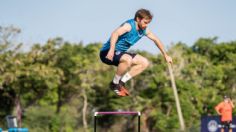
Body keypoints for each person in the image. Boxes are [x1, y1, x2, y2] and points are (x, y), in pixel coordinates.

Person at [99, 8, 172, 96]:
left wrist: (165, 55)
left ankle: (121, 83)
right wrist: (111, 50)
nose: (146, 25)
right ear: (138, 19)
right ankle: (114, 83)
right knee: (128, 59)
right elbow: (115, 33)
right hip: (107, 53)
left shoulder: (144, 30)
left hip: (120, 54)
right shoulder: (129, 26)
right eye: (145, 22)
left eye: (148, 23)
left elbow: (156, 39)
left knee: (144, 62)